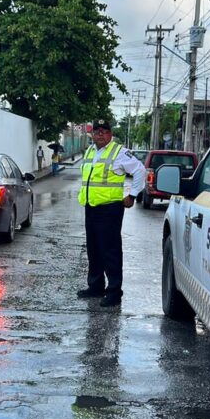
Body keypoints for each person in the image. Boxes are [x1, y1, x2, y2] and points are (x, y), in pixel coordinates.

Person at [77, 121, 145, 307]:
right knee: (94, 249)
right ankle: (96, 286)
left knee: (110, 251)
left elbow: (140, 170)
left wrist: (132, 195)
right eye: (97, 131)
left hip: (109, 209)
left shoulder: (119, 152)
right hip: (91, 206)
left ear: (110, 134)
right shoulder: (90, 151)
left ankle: (114, 292)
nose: (100, 135)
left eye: (104, 131)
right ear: (92, 134)